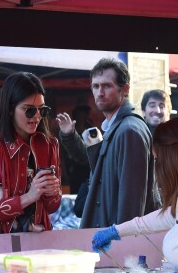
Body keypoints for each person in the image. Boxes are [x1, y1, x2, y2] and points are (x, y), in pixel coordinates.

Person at [92, 117, 178, 273]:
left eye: (157, 158)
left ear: (171, 158)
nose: (158, 167)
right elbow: (168, 217)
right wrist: (117, 231)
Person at [56, 58, 156, 228]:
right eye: (96, 86)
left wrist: (119, 242)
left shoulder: (129, 130)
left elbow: (131, 202)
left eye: (107, 86)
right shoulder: (117, 127)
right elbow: (94, 166)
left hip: (119, 240)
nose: (99, 92)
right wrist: (70, 135)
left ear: (124, 90)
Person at [0, 72, 62, 234]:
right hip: (4, 245)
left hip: (42, 241)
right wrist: (28, 198)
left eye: (42, 110)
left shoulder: (49, 144)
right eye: (29, 110)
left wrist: (52, 192)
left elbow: (53, 207)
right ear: (10, 109)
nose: (37, 117)